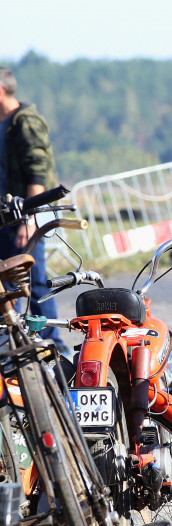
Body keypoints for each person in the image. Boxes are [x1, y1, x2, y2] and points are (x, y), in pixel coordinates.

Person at [0, 67, 67, 354]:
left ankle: (54, 346)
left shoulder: (25, 122)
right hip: (7, 216)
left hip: (28, 213)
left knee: (34, 279)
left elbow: (37, 174)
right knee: (6, 280)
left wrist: (29, 220)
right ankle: (12, 343)